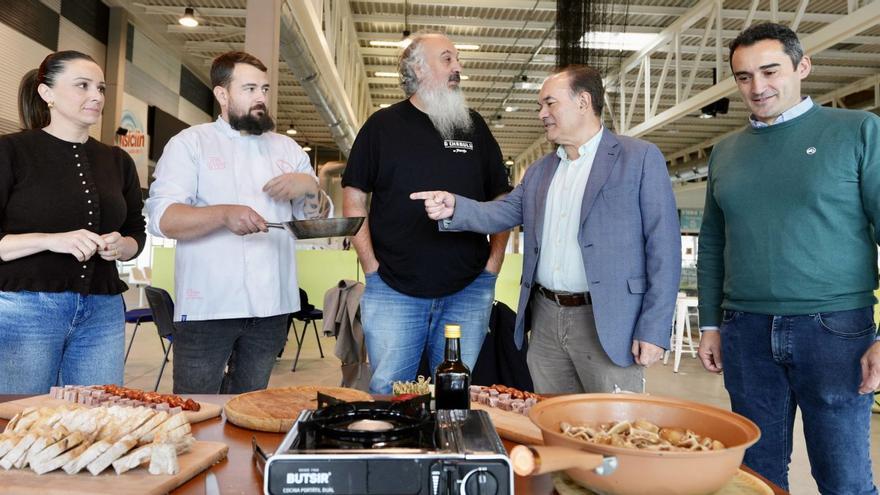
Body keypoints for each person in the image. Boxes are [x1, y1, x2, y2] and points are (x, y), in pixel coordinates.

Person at [411, 65, 681, 394]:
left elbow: (664, 248)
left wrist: (654, 328)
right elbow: (504, 211)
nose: (542, 114)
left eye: (549, 103)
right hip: (546, 320)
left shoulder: (638, 158)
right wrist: (456, 206)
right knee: (551, 423)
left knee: (612, 429)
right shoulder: (541, 170)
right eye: (540, 106)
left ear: (583, 102)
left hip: (608, 321)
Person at [697, 23, 880, 494]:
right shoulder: (726, 152)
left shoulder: (858, 131)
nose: (757, 87)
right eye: (743, 77)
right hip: (746, 332)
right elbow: (714, 244)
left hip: (836, 331)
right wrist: (711, 325)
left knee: (844, 479)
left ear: (803, 66)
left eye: (770, 70)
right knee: (754, 479)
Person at [145, 51, 325, 394]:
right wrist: (224, 214)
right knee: (197, 408)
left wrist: (311, 187)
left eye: (265, 89)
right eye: (250, 88)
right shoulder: (190, 144)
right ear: (222, 94)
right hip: (208, 306)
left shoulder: (287, 149)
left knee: (251, 406)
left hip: (272, 308)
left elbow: (313, 220)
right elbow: (163, 218)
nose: (261, 97)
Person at [342, 31, 512, 394]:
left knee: (454, 394)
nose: (458, 67)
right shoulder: (381, 127)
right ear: (417, 68)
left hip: (468, 289)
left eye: (457, 59)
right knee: (389, 392)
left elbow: (503, 199)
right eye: (447, 58)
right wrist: (371, 268)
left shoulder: (474, 127)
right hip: (393, 289)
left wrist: (492, 266)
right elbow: (353, 198)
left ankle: (446, 453)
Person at [0, 50, 146, 393]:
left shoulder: (118, 160)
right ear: (46, 93)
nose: (96, 96)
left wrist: (123, 246)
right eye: (82, 86)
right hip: (25, 311)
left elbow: (135, 230)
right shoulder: (11, 152)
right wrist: (51, 240)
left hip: (103, 312)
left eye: (100, 88)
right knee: (19, 424)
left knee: (99, 421)